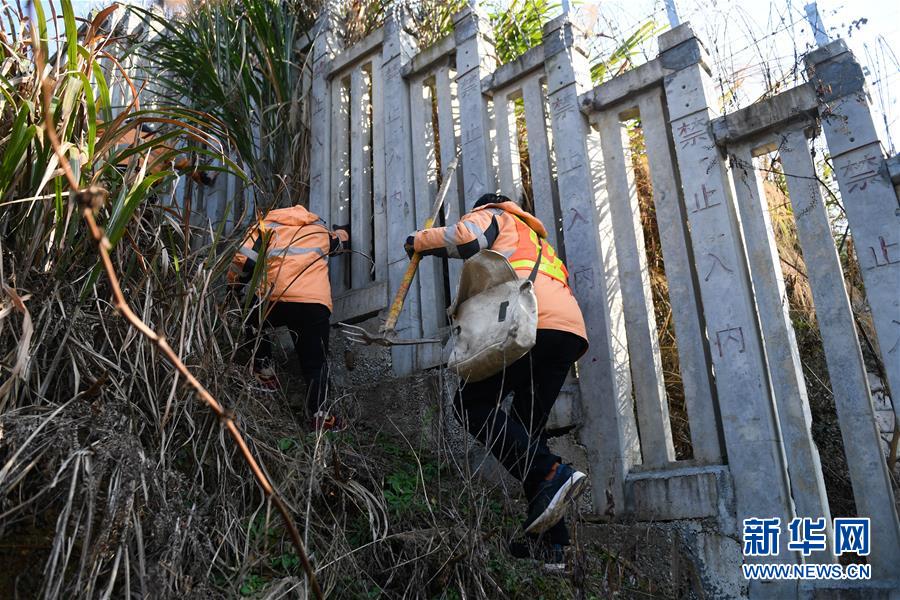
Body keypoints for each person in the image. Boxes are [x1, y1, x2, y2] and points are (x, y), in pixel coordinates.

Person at [405, 192, 589, 570]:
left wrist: (418, 241)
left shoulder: (495, 214)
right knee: (526, 435)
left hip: (531, 322)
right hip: (567, 332)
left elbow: (466, 239)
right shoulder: (538, 240)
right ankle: (552, 545)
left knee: (469, 404)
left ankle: (552, 472)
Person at [229, 204, 349, 430]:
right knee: (316, 363)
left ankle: (265, 372)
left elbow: (243, 261)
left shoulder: (265, 225)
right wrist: (343, 231)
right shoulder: (318, 229)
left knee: (250, 319)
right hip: (313, 303)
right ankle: (320, 416)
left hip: (274, 298)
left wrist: (233, 287)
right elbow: (339, 244)